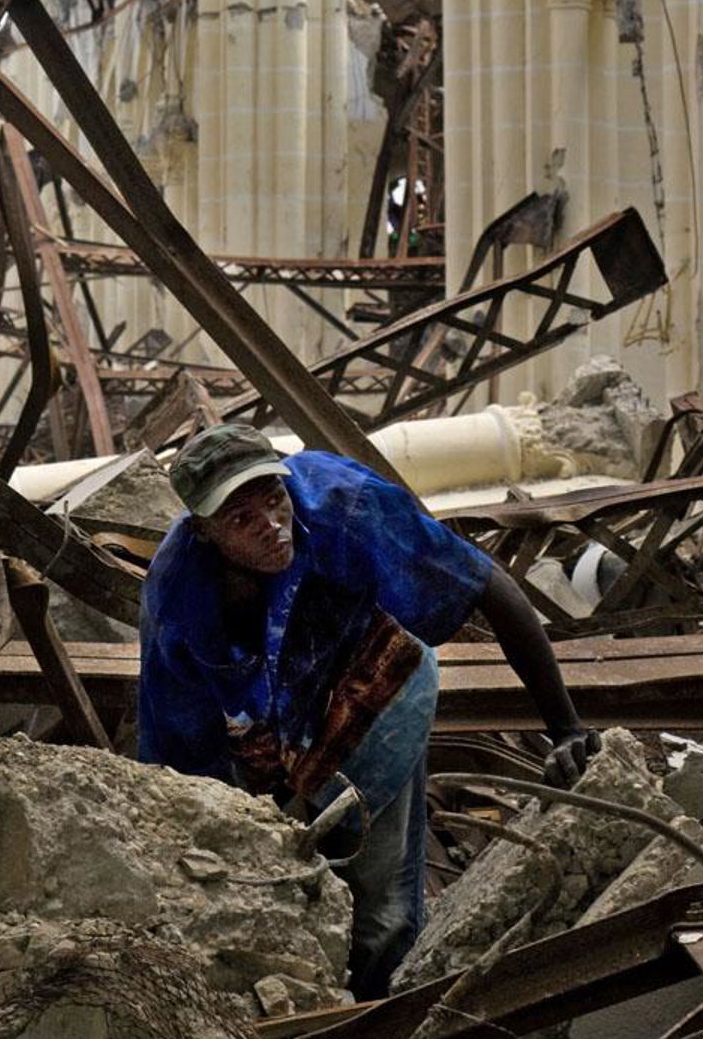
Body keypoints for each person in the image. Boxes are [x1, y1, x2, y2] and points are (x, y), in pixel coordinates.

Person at [138, 423, 600, 999]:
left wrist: (565, 728)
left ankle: (387, 1005)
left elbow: (488, 585)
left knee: (380, 908)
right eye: (241, 519)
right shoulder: (178, 601)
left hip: (375, 681)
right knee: (280, 873)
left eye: (275, 500)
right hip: (266, 723)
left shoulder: (345, 507)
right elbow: (177, 751)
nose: (272, 526)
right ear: (203, 532)